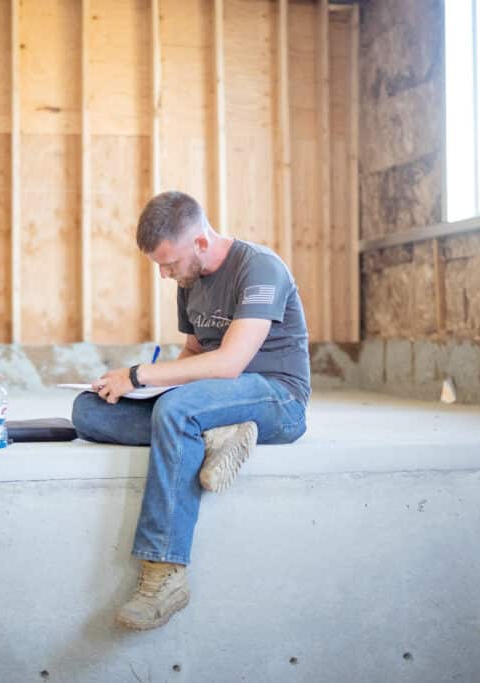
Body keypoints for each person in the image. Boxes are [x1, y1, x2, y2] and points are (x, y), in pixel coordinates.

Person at [71, 190, 311, 630]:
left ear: (200, 242)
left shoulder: (260, 267)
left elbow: (229, 362)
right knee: (90, 411)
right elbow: (194, 353)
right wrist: (136, 391)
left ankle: (165, 573)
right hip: (214, 397)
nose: (164, 275)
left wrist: (142, 376)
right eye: (158, 265)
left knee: (179, 408)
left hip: (276, 397)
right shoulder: (190, 280)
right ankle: (218, 430)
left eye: (170, 263)